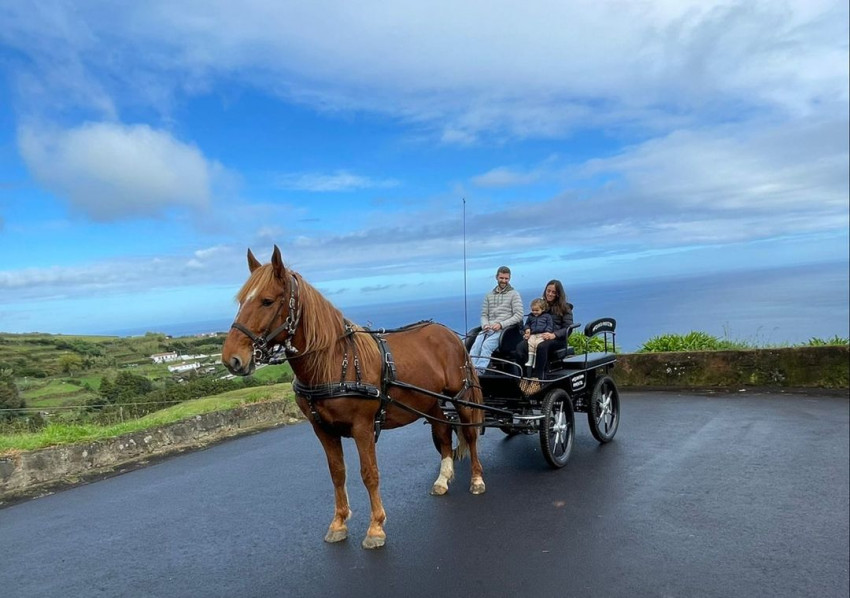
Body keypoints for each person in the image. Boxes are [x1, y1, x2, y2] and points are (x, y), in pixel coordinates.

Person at [515, 279, 574, 380]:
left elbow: (568, 328)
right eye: (548, 291)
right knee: (520, 347)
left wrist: (554, 335)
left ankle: (538, 378)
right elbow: (530, 319)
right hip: (537, 336)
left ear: (558, 294)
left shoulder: (565, 308)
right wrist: (527, 330)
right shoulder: (541, 305)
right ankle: (523, 377)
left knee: (542, 347)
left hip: (556, 339)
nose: (550, 294)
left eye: (553, 292)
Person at [469, 266, 524, 373]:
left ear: (509, 279)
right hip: (489, 328)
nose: (504, 281)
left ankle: (479, 372)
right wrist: (485, 324)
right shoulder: (489, 295)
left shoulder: (514, 294)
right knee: (476, 344)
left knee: (486, 345)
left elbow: (519, 315)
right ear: (497, 277)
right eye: (501, 278)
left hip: (506, 330)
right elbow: (484, 314)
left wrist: (501, 324)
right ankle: (470, 369)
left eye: (506, 278)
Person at [522, 297, 554, 369]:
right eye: (533, 310)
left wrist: (547, 332)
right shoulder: (531, 316)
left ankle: (535, 362)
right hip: (533, 334)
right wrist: (527, 329)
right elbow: (527, 324)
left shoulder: (547, 316)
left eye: (537, 310)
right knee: (530, 343)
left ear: (542, 309)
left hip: (542, 334)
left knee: (537, 345)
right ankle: (530, 360)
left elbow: (550, 325)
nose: (535, 312)